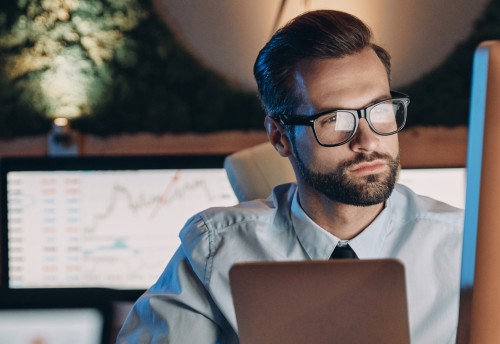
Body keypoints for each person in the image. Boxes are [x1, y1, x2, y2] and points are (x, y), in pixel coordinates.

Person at [117, 9, 463, 344]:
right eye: (334, 119)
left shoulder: (463, 247)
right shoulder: (215, 249)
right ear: (280, 137)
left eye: (380, 110)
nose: (369, 140)